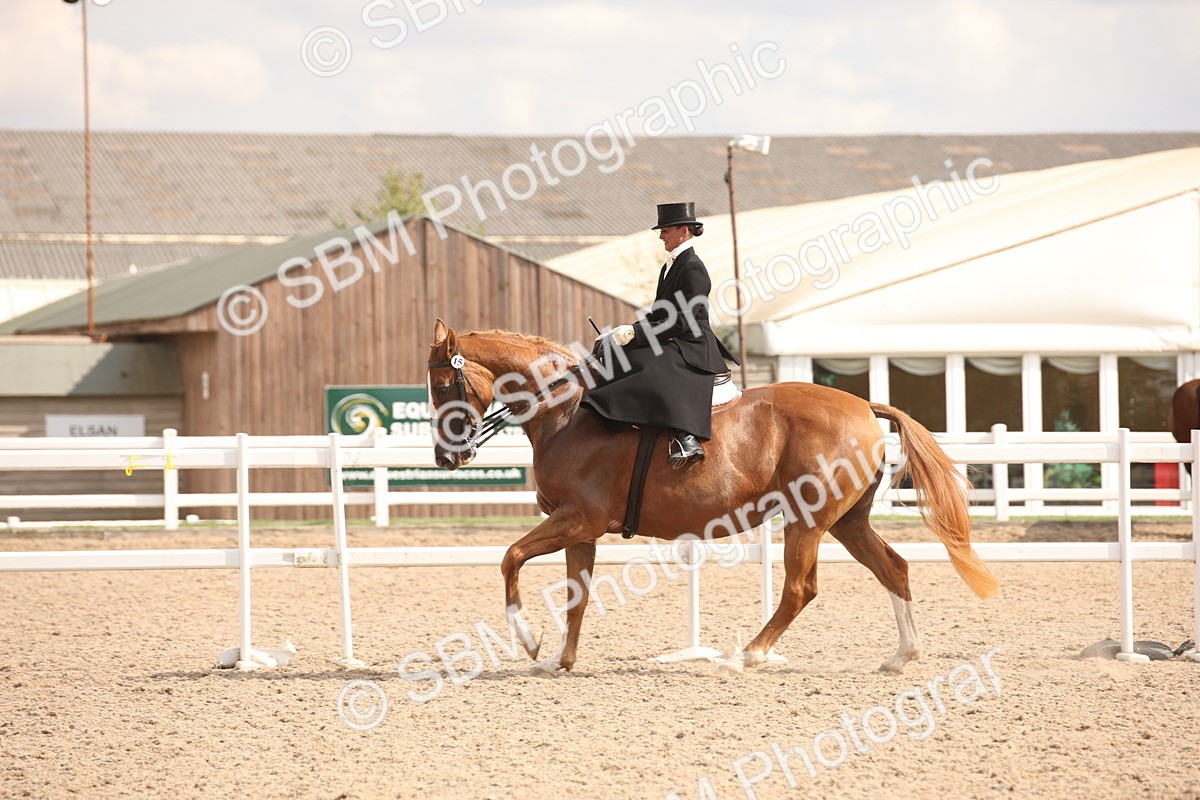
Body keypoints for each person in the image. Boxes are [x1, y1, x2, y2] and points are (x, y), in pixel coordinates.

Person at [580, 202, 740, 468]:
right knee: (619, 355)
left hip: (692, 344)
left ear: (683, 231)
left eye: (665, 230)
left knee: (650, 367)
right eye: (661, 231)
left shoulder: (693, 268)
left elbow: (681, 320)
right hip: (673, 336)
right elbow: (659, 314)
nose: (661, 236)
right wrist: (624, 332)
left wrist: (635, 333)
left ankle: (686, 437)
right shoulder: (670, 266)